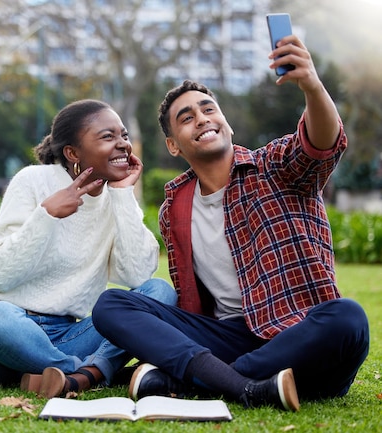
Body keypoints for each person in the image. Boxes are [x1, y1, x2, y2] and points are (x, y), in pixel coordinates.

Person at [92, 35, 369, 411]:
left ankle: (206, 382)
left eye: (208, 110)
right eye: (186, 118)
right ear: (174, 145)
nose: (201, 119)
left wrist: (312, 86)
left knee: (347, 317)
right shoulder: (175, 207)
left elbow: (321, 144)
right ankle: (247, 386)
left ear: (226, 123)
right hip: (232, 335)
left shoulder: (275, 166)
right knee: (111, 305)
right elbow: (193, 306)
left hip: (300, 334)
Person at [0, 99, 177, 398]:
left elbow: (137, 275)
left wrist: (122, 194)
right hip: (10, 333)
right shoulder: (32, 181)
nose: (123, 145)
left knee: (160, 293)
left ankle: (68, 376)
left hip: (69, 335)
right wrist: (46, 215)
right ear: (73, 153)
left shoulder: (115, 200)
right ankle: (92, 371)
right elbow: (3, 274)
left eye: (124, 136)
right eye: (108, 137)